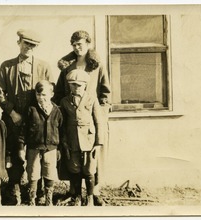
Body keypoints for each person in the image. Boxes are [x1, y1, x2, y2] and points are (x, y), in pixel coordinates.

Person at [0, 29, 53, 205]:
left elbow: (51, 92)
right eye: (26, 43)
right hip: (13, 120)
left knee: (39, 155)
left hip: (36, 120)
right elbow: (0, 92)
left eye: (33, 45)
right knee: (15, 155)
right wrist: (12, 113)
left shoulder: (44, 66)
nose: (29, 47)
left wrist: (42, 114)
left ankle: (40, 192)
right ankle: (15, 191)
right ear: (19, 42)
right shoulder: (7, 66)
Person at [54, 30, 111, 206]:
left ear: (88, 44)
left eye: (81, 44)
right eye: (74, 45)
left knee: (92, 159)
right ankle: (74, 192)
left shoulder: (97, 65)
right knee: (72, 157)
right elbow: (59, 93)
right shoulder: (67, 67)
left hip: (91, 119)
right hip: (71, 116)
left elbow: (105, 92)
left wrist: (100, 113)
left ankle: (94, 192)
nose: (78, 48)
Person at [60, 69, 104, 206]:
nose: (75, 88)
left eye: (79, 85)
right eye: (72, 85)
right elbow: (62, 124)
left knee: (89, 169)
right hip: (72, 139)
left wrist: (98, 143)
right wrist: (64, 142)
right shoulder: (65, 101)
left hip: (89, 140)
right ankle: (77, 196)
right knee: (74, 168)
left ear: (85, 85)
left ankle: (90, 197)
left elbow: (99, 122)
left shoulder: (92, 99)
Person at [18, 80, 63, 206]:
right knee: (33, 173)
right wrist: (21, 148)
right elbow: (23, 131)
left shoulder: (57, 111)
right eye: (38, 95)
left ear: (51, 94)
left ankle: (48, 200)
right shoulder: (31, 110)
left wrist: (59, 149)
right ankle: (32, 199)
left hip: (51, 149)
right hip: (34, 148)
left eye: (44, 95)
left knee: (49, 172)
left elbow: (61, 131)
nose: (41, 98)